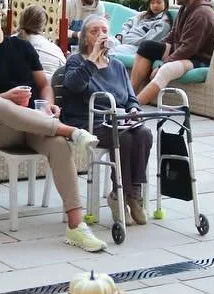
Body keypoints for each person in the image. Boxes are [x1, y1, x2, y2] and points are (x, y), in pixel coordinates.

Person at [0, 0, 105, 252]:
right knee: (0, 104)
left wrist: (48, 104)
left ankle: (76, 226)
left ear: (1, 13)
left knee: (58, 145)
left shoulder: (22, 47)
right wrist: (6, 96)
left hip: (34, 124)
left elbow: (44, 85)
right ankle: (72, 131)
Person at [61, 15, 153, 225]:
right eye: (95, 31)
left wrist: (133, 110)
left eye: (104, 30)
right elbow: (73, 86)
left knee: (144, 133)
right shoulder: (77, 61)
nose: (101, 35)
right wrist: (92, 60)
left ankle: (132, 194)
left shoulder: (117, 65)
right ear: (85, 38)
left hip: (118, 121)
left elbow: (131, 98)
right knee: (125, 139)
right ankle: (120, 196)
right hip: (89, 122)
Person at [130, 0, 214, 106]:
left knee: (166, 70)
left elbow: (188, 49)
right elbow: (174, 33)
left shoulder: (202, 13)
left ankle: (134, 107)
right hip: (185, 50)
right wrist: (160, 46)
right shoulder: (186, 7)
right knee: (147, 47)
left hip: (200, 58)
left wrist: (163, 64)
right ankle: (130, 95)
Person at [16, 4, 65, 77]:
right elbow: (65, 74)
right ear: (43, 25)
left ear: (21, 20)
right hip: (49, 86)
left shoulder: (8, 44)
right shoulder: (55, 50)